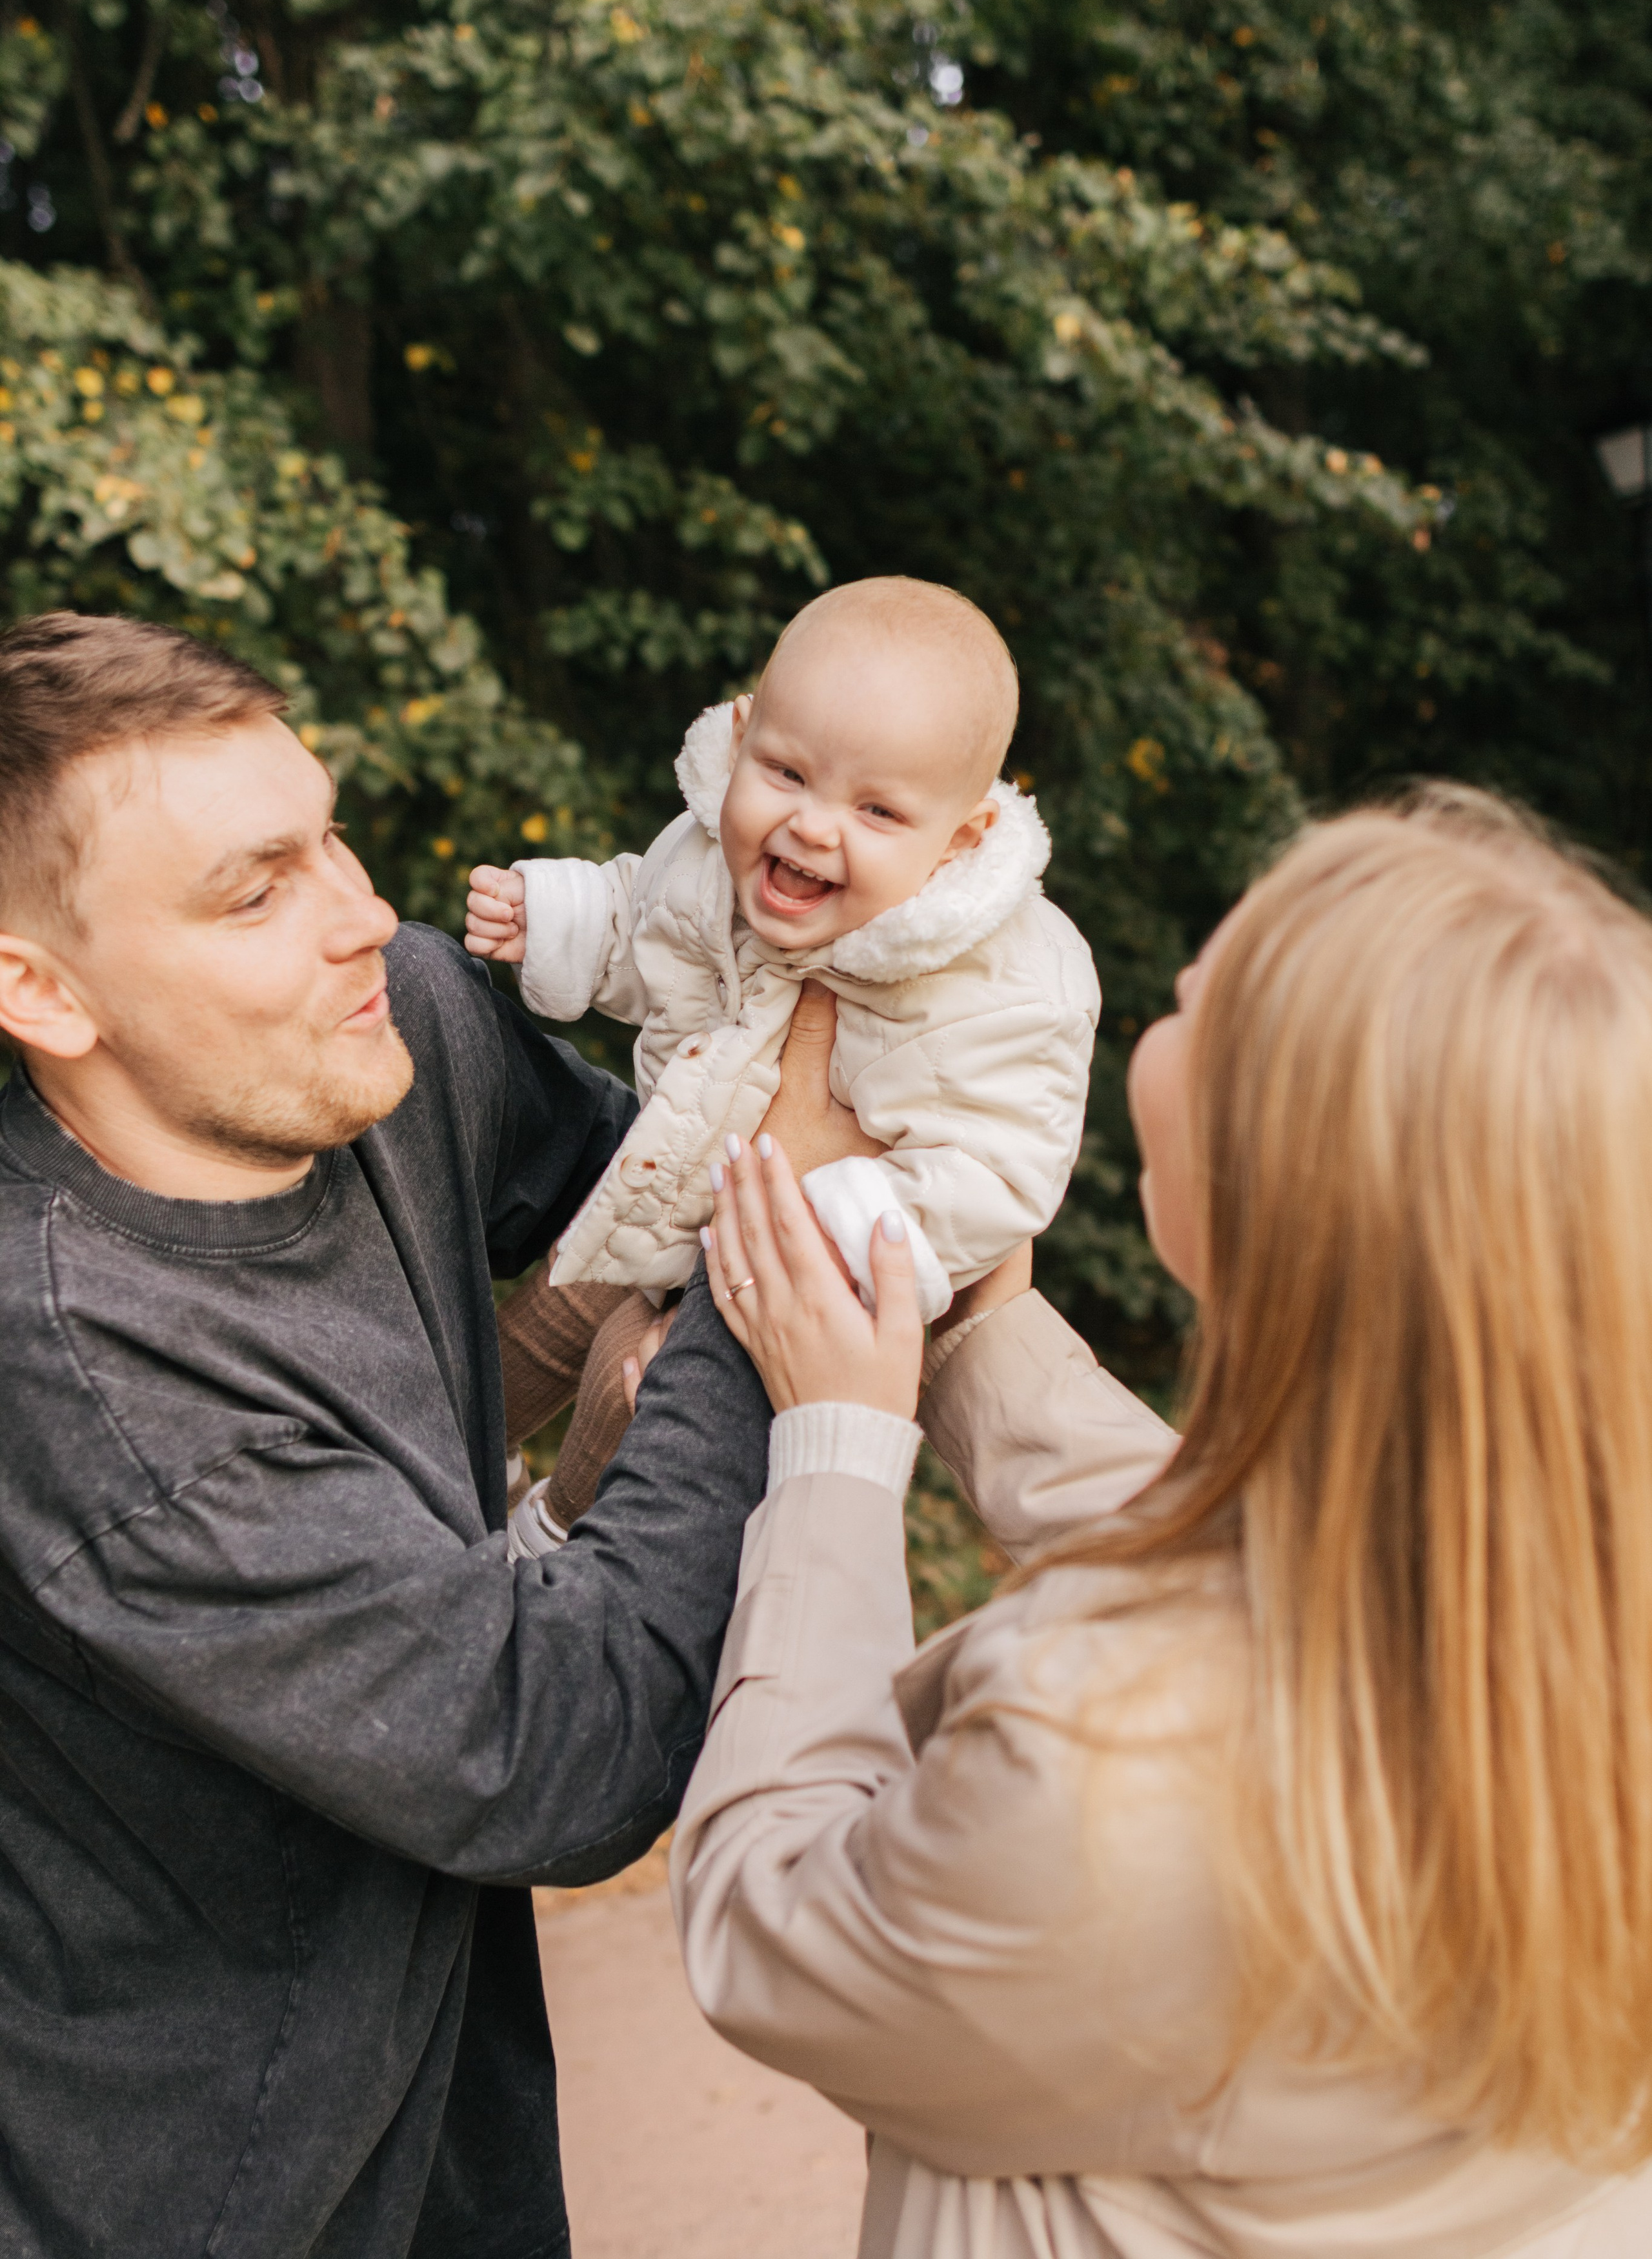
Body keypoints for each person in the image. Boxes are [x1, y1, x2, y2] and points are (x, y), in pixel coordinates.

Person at [672, 785, 1652, 2258]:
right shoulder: (1561, 1578)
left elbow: (772, 1934)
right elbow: (1271, 1568)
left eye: (1196, 1006)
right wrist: (969, 1328)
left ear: (1286, 1195)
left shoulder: (1105, 1766)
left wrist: (834, 1444)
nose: (1156, 1014)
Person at [0, 610, 865, 2259]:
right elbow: (564, 1744)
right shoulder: (90, 1394)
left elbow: (643, 1189)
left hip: (458, 2138)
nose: (362, 914)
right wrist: (793, 1239)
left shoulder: (387, 1025)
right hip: (193, 2189)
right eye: (254, 891)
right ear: (39, 991)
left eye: (328, 836)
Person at [465, 576, 1100, 1542]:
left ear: (959, 837)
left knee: (632, 1380)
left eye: (879, 812)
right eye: (788, 773)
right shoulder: (715, 851)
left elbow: (1000, 1163)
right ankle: (450, 1462)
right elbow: (652, 921)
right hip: (676, 1182)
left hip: (789, 1267)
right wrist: (559, 916)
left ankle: (551, 1542)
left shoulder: (1002, 977)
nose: (812, 823)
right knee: (551, 1306)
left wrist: (841, 1238)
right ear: (744, 732)